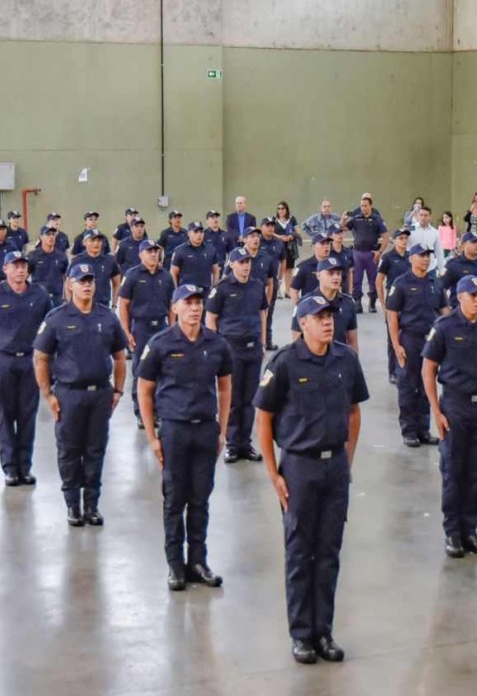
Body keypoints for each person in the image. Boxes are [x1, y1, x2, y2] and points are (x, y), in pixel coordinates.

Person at [254, 295, 369, 665]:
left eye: (329, 316)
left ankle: (324, 632)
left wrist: (347, 459)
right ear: (302, 323)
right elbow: (263, 418)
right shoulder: (285, 363)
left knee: (329, 552)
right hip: (299, 468)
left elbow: (354, 412)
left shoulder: (346, 359)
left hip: (335, 467)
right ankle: (302, 634)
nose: (327, 322)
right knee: (301, 553)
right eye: (318, 317)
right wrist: (273, 473)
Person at [138, 284, 234, 591]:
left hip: (205, 429)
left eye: (198, 303)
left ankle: (198, 561)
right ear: (175, 307)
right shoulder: (161, 344)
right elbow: (144, 389)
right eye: (187, 303)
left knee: (200, 498)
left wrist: (222, 430)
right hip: (175, 430)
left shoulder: (216, 344)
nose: (194, 308)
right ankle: (175, 565)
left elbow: (225, 387)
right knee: (174, 499)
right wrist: (152, 436)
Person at [34, 262, 129, 526]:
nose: (87, 285)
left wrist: (118, 390)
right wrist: (48, 394)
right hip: (69, 395)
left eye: (90, 281)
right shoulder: (57, 318)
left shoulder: (107, 318)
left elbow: (120, 357)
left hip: (100, 395)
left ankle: (92, 506)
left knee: (96, 450)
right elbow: (41, 358)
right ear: (70, 284)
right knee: (69, 451)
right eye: (81, 281)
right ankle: (73, 505)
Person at [422, 275, 477, 559]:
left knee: (475, 471)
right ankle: (452, 533)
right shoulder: (444, 327)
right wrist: (436, 411)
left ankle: (470, 530)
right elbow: (428, 370)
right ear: (460, 298)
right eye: (473, 295)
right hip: (454, 406)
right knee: (453, 472)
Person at [0, 251, 53, 486]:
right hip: (3, 360)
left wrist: (48, 361)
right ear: (5, 269)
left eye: (23, 266)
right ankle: (9, 468)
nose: (20, 270)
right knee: (5, 414)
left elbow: (52, 327)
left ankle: (25, 467)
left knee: (27, 414)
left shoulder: (40, 295)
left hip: (30, 361)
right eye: (15, 266)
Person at [207, 247, 270, 465]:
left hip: (253, 349)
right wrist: (215, 347)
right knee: (233, 398)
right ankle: (232, 444)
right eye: (241, 262)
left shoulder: (257, 286)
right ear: (232, 264)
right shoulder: (222, 288)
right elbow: (211, 318)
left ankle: (245, 443)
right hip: (231, 348)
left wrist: (263, 341)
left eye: (248, 262)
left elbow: (262, 313)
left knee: (250, 399)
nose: (245, 266)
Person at [386, 244, 446, 448]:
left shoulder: (435, 283)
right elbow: (392, 315)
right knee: (408, 385)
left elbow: (444, 310)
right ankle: (409, 430)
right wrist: (396, 345)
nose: (426, 259)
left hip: (431, 341)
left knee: (426, 384)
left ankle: (423, 429)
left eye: (428, 256)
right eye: (421, 256)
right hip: (410, 339)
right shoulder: (401, 283)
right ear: (411, 258)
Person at [117, 239, 175, 428]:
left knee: (162, 370)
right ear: (141, 254)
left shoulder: (166, 276)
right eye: (149, 251)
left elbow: (172, 305)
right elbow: (123, 304)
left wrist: (173, 328)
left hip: (161, 327)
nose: (153, 254)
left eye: (155, 251)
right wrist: (126, 331)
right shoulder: (133, 276)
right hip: (141, 328)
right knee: (142, 370)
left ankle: (158, 411)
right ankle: (142, 413)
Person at [290, 257, 359, 351]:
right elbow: (297, 341)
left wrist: (354, 359)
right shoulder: (305, 304)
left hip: (340, 357)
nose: (336, 277)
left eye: (338, 273)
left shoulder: (348, 303)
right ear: (318, 275)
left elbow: (352, 341)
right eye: (330, 273)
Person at [376, 228, 411, 383]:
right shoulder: (388, 258)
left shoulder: (411, 257)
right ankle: (393, 371)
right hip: (393, 300)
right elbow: (378, 281)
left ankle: (406, 368)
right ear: (394, 240)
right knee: (393, 337)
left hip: (409, 300)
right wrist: (383, 305)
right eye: (401, 238)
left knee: (408, 336)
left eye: (406, 238)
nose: (404, 241)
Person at [342, 195, 388, 314]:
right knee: (356, 279)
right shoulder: (356, 218)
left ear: (370, 206)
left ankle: (372, 303)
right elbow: (343, 228)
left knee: (373, 279)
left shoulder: (377, 219)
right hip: (358, 253)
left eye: (365, 206)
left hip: (372, 253)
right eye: (361, 206)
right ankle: (357, 302)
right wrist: (343, 219)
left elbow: (386, 237)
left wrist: (380, 252)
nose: (363, 208)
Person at [66, 230, 121, 308]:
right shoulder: (77, 260)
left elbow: (117, 284)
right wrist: (70, 304)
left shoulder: (110, 260)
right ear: (84, 242)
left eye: (99, 241)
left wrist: (114, 305)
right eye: (92, 240)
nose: (96, 243)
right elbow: (68, 284)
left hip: (103, 305)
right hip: (82, 305)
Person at [441, 233, 477, 312]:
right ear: (463, 245)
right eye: (473, 242)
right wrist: (447, 310)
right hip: (459, 312)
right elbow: (442, 288)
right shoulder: (453, 265)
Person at [258, 217, 285, 350]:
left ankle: (268, 341)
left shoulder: (278, 243)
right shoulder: (257, 241)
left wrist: (279, 279)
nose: (270, 227)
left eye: (272, 225)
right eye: (267, 225)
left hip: (272, 282)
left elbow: (283, 260)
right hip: (258, 282)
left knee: (269, 311)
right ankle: (257, 341)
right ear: (261, 227)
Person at [27, 226, 69, 307]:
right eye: (48, 234)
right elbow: (25, 276)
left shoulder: (61, 256)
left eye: (53, 234)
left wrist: (67, 298)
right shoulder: (33, 256)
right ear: (41, 237)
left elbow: (67, 278)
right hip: (38, 297)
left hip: (57, 298)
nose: (51, 237)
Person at [170, 220, 217, 290]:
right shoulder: (180, 250)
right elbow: (173, 272)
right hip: (187, 291)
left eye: (201, 232)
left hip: (205, 291)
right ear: (189, 234)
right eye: (196, 232)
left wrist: (214, 288)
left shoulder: (211, 249)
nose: (199, 234)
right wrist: (176, 290)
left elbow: (215, 271)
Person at [289, 232, 332, 306]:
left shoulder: (334, 266)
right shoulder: (304, 267)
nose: (326, 246)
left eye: (328, 243)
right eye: (322, 243)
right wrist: (301, 308)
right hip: (312, 308)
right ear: (313, 247)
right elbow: (293, 291)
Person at [408, 205, 444, 277]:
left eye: (425, 215)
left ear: (430, 217)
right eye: (421, 215)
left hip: (430, 269)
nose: (423, 217)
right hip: (414, 268)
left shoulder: (435, 232)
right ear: (418, 216)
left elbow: (439, 252)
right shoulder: (411, 229)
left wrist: (441, 269)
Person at [274, 202, 300, 297]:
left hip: (289, 247)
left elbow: (298, 231)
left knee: (289, 269)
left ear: (286, 209)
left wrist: (291, 236)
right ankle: (278, 291)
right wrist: (280, 237)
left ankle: (287, 290)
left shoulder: (292, 219)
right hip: (278, 246)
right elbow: (270, 232)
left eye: (283, 208)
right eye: (279, 208)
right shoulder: (274, 219)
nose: (281, 210)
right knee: (278, 268)